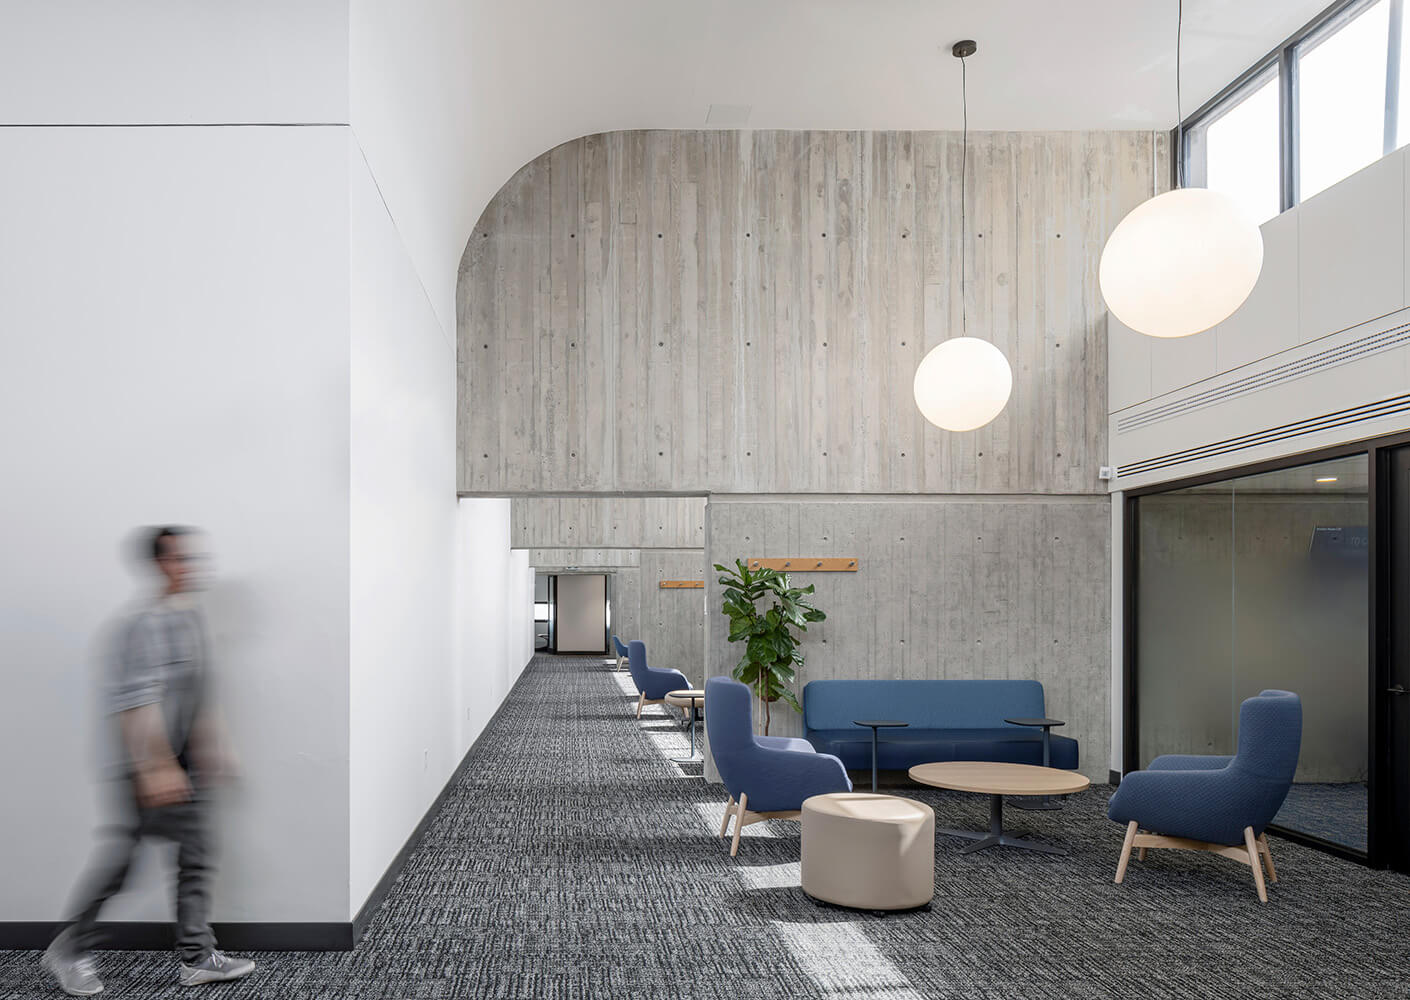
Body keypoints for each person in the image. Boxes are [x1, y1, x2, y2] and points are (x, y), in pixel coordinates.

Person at [43, 526, 255, 996]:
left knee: (197, 856)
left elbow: (198, 691)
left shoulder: (190, 616)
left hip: (183, 762)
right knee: (125, 864)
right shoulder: (144, 624)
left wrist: (212, 745)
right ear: (160, 564)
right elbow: (136, 703)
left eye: (193, 559)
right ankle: (71, 948)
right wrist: (156, 767)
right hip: (145, 766)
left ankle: (198, 957)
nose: (191, 567)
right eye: (181, 559)